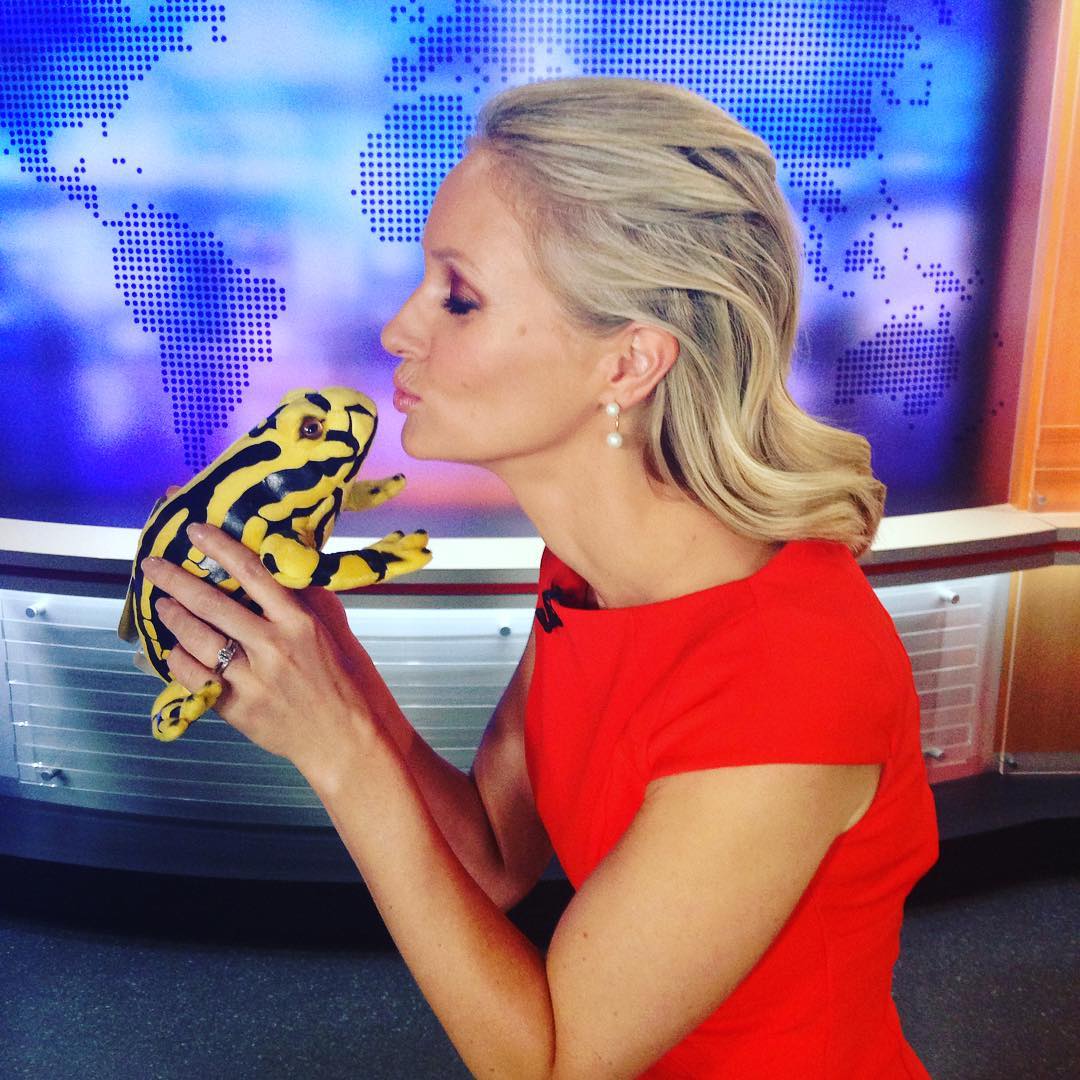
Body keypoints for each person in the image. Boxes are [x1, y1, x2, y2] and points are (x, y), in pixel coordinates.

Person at [140, 77, 939, 1078]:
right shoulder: (593, 571)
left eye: (459, 297)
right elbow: (491, 855)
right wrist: (322, 653)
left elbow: (552, 1067)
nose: (398, 330)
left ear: (629, 363)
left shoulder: (793, 673)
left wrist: (338, 752)